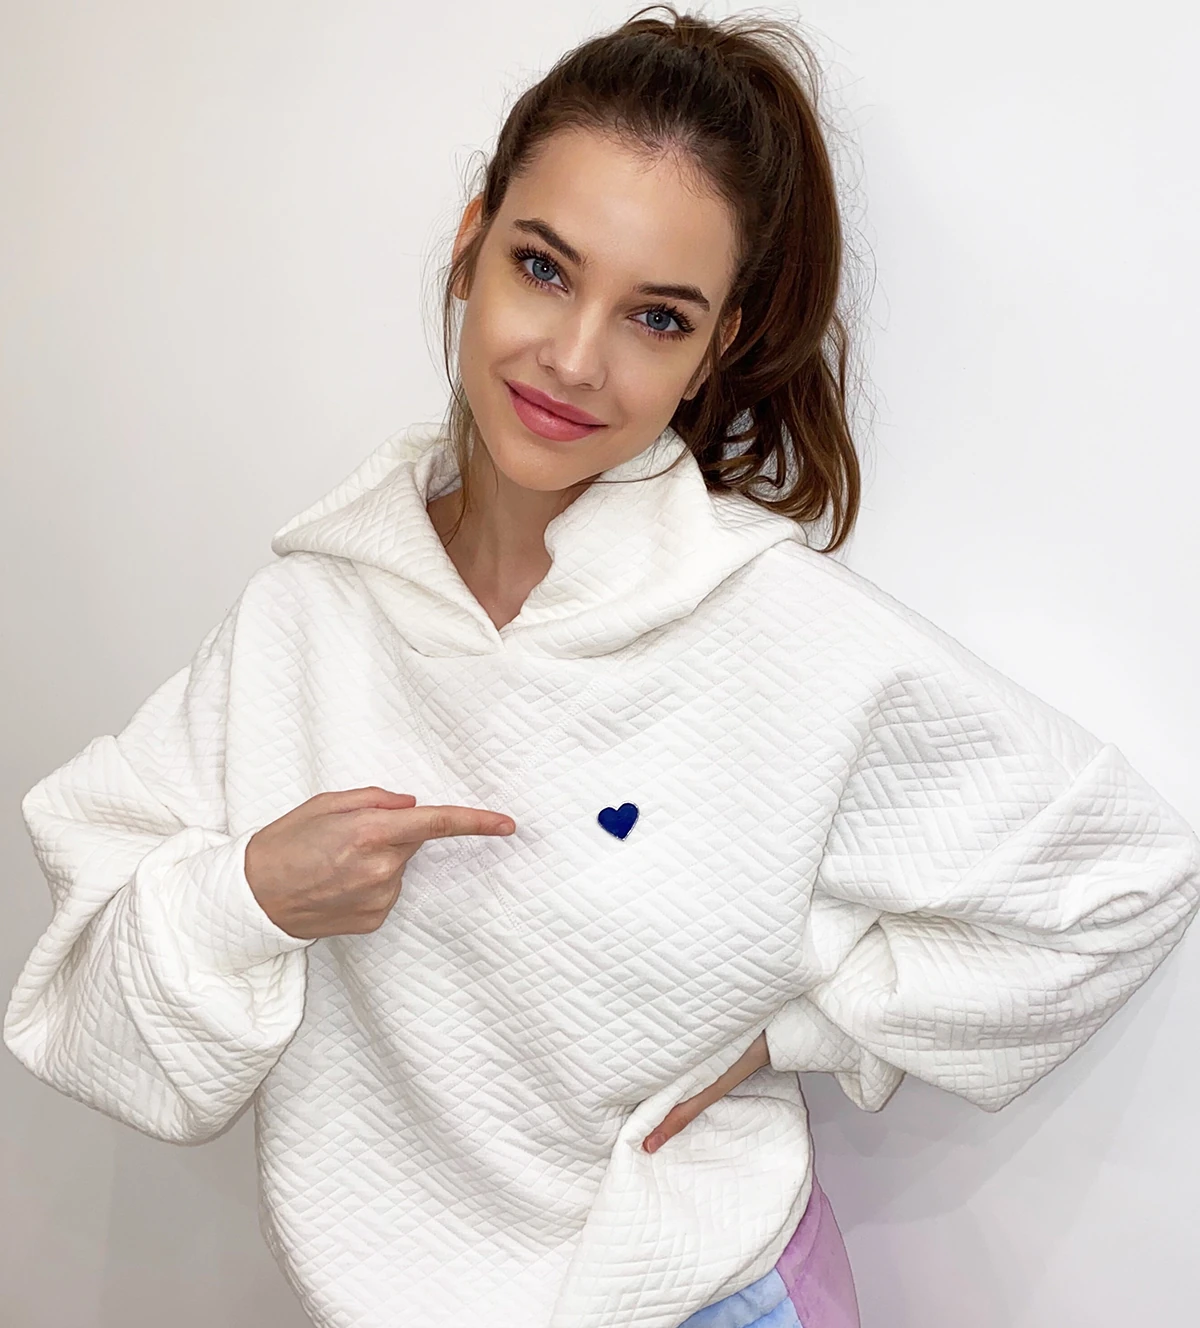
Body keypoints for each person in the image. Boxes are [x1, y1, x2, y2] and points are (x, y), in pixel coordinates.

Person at [5, 6, 1199, 1327]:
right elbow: (86, 1017)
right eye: (544, 267)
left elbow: (1122, 880)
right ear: (471, 244)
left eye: (657, 316)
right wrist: (253, 895)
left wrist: (809, 1023)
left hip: (713, 1295)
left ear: (716, 348)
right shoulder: (307, 620)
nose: (575, 360)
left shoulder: (775, 627)